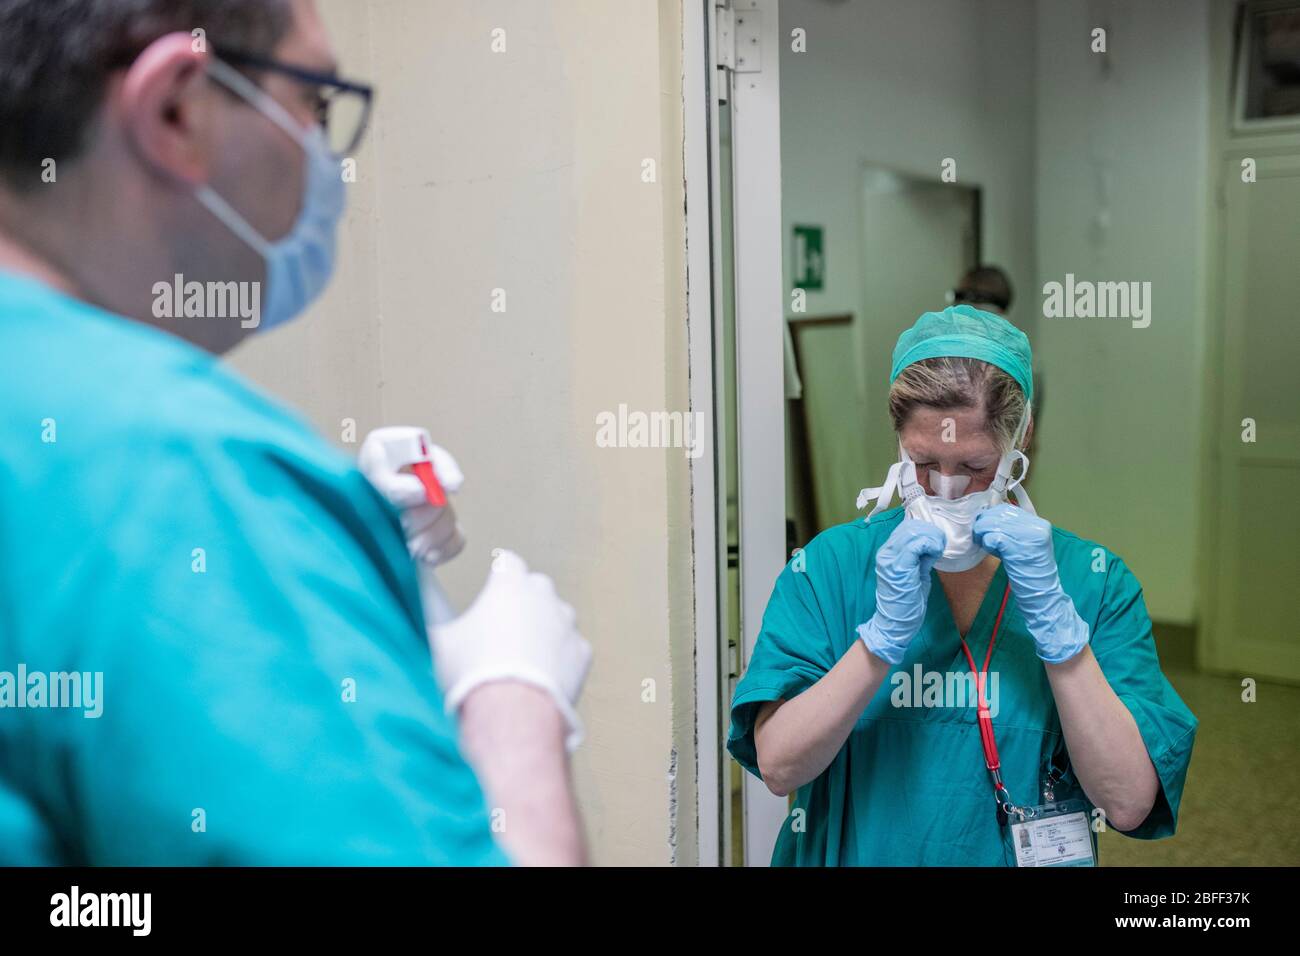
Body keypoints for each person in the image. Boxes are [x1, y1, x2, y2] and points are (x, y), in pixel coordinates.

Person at [0, 0, 588, 865]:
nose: (325, 158)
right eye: (313, 103)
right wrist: (513, 709)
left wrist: (321, 561)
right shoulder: (184, 472)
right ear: (175, 109)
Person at [727, 305, 1196, 866]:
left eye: (973, 466)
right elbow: (779, 767)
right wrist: (877, 645)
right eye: (924, 461)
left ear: (1020, 441)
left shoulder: (1092, 581)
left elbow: (1128, 802)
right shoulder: (832, 567)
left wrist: (1063, 639)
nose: (946, 490)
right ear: (899, 442)